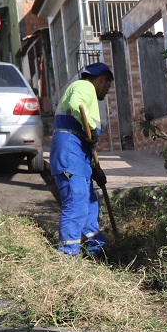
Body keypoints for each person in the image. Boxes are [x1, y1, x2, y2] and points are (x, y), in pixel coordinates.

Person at [51, 62, 114, 257]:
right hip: (70, 155)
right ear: (102, 78)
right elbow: (75, 105)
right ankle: (67, 254)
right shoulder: (84, 86)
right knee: (76, 203)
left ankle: (96, 249)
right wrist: (92, 128)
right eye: (108, 86)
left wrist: (97, 170)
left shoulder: (85, 92)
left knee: (89, 203)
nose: (107, 91)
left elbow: (89, 143)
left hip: (79, 157)